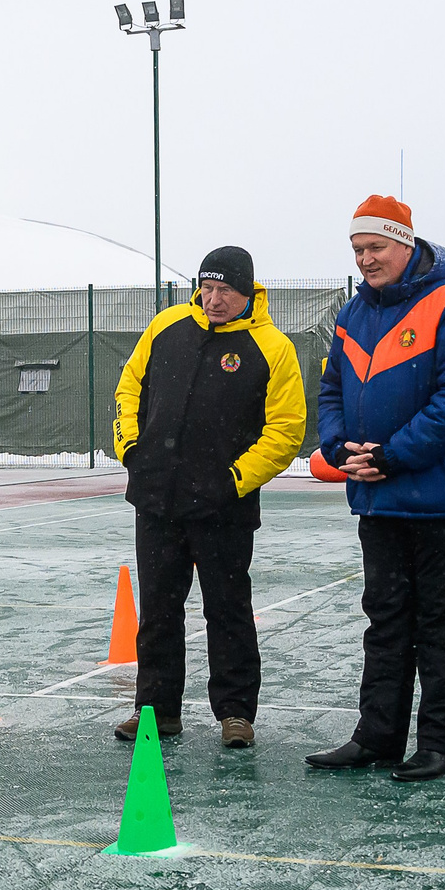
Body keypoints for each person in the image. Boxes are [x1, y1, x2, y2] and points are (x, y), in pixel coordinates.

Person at [304, 196, 445, 782]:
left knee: (443, 620)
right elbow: (332, 392)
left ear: (406, 243)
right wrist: (342, 450)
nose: (366, 259)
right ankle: (378, 736)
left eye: (376, 247)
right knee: (385, 618)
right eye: (358, 250)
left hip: (442, 499)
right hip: (378, 497)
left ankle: (442, 744)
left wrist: (392, 456)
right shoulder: (351, 316)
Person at [110, 245, 305, 748]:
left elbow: (285, 430)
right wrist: (131, 447)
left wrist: (234, 480)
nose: (214, 300)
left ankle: (236, 714)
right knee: (157, 609)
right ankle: (156, 710)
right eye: (208, 288)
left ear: (249, 291)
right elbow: (129, 387)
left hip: (224, 507)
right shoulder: (167, 326)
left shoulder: (273, 348)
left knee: (228, 609)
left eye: (226, 291)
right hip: (156, 499)